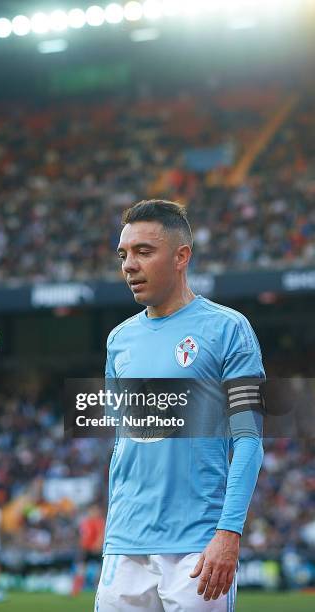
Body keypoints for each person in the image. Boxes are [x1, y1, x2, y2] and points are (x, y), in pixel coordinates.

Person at [96, 200, 265, 611]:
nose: (129, 265)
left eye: (143, 252)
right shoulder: (119, 341)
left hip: (197, 547)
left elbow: (248, 439)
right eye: (123, 254)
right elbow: (123, 442)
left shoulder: (229, 330)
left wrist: (228, 532)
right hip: (125, 546)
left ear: (181, 256)